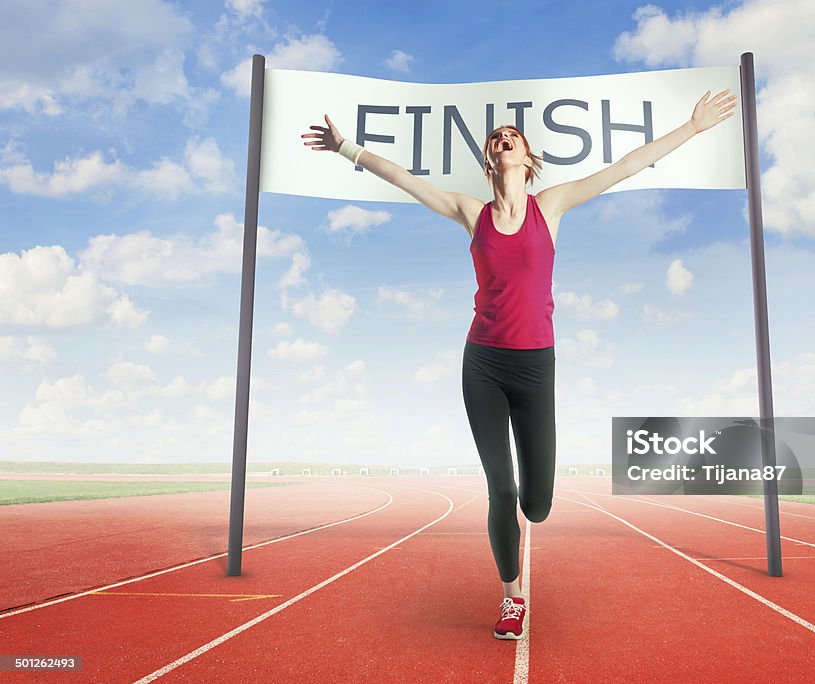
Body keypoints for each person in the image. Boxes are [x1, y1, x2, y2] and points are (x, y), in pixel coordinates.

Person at [301, 88, 736, 639]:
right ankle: (512, 596)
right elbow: (405, 180)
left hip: (536, 368)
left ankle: (532, 518)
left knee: (539, 504)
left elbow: (626, 166)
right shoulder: (470, 212)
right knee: (501, 492)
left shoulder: (550, 206)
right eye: (496, 140)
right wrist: (346, 149)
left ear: (527, 159)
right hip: (482, 364)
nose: (503, 141)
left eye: (512, 138)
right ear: (491, 160)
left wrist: (693, 127)